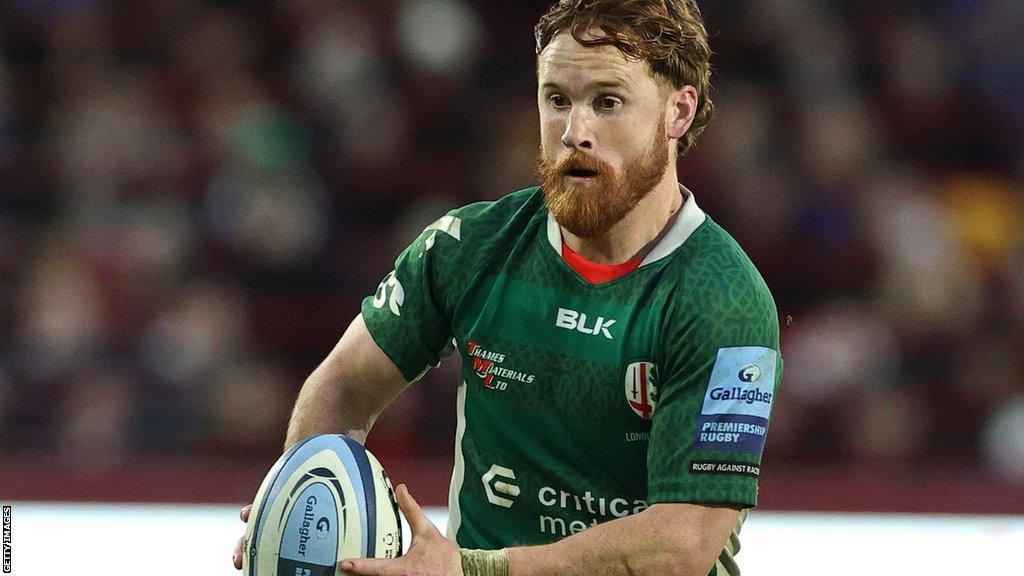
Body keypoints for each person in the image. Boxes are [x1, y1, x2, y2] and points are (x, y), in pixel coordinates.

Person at [233, 1, 782, 574]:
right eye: (557, 100)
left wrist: (477, 571)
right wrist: (295, 498)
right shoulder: (468, 247)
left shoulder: (723, 299)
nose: (575, 132)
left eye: (608, 102)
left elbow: (684, 543)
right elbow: (345, 385)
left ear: (679, 111)